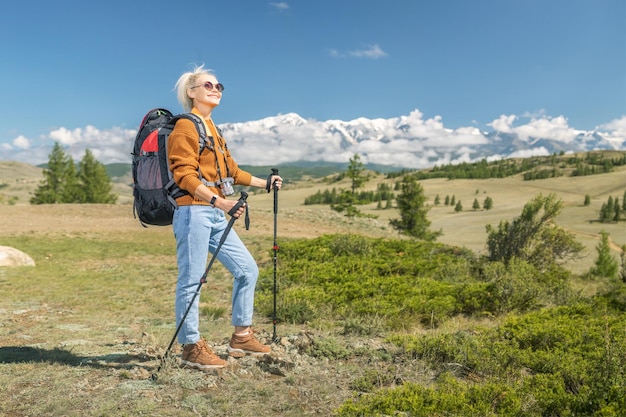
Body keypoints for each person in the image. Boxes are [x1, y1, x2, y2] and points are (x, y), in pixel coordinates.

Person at [167, 64, 283, 371]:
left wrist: (264, 183)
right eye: (208, 86)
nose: (215, 90)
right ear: (191, 93)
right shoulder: (184, 127)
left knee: (247, 270)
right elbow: (184, 176)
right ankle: (191, 346)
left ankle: (241, 337)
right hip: (194, 212)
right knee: (191, 281)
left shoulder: (214, 130)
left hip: (217, 212)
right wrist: (220, 201)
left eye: (219, 86)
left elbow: (232, 171)